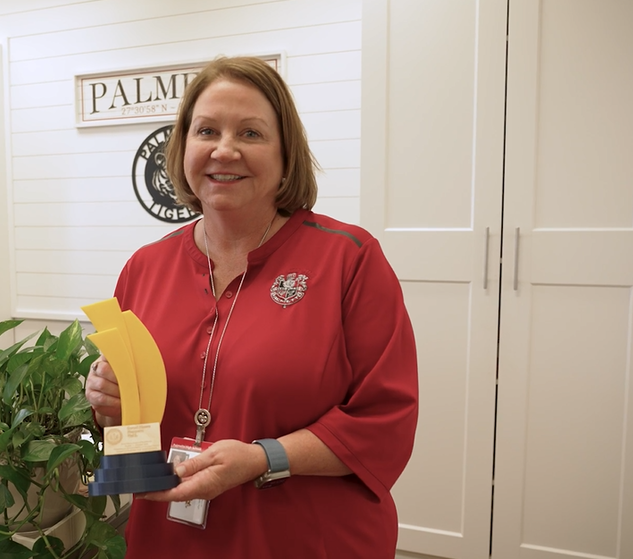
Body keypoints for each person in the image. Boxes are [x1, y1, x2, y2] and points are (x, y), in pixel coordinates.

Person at [84, 56, 418, 558]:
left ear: (286, 154)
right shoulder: (144, 268)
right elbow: (133, 434)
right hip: (169, 540)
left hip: (307, 540)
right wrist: (109, 405)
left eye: (251, 133)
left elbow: (385, 421)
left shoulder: (349, 259)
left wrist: (264, 458)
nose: (224, 150)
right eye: (206, 131)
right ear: (182, 147)